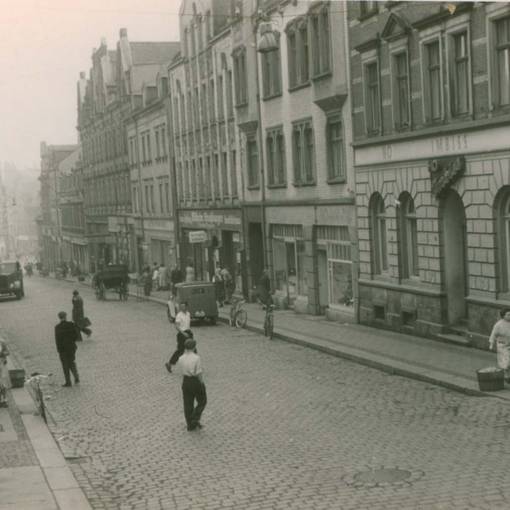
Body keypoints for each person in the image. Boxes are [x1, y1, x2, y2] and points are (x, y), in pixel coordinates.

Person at [177, 338, 207, 431]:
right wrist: (202, 383)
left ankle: (190, 425)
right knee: (202, 400)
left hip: (186, 381)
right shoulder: (196, 358)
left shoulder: (181, 358)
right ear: (194, 347)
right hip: (195, 381)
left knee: (187, 403)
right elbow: (198, 372)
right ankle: (195, 418)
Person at [165, 302, 193, 373]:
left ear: (187, 307)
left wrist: (189, 332)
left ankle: (192, 366)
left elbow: (187, 324)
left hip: (188, 333)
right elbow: (176, 326)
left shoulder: (188, 314)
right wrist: (184, 333)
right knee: (180, 350)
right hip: (182, 334)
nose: (182, 308)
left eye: (184, 306)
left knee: (193, 349)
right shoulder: (179, 315)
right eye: (181, 307)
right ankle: (170, 363)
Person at [55, 311, 80, 387]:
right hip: (71, 347)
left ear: (59, 317)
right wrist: (72, 342)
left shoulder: (57, 327)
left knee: (65, 365)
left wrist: (59, 349)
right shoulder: (71, 324)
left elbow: (57, 340)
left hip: (63, 349)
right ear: (65, 316)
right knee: (72, 362)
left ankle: (68, 381)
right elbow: (76, 335)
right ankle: (76, 377)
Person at [489, 308, 510, 381]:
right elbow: (493, 334)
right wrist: (491, 343)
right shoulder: (498, 325)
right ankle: (506, 376)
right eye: (508, 315)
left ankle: (507, 374)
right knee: (506, 362)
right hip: (502, 346)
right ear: (503, 316)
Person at [0, 339, 10, 408]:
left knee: (3, 383)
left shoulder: (2, 342)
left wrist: (2, 354)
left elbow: (8, 352)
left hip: (1, 364)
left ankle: (4, 400)